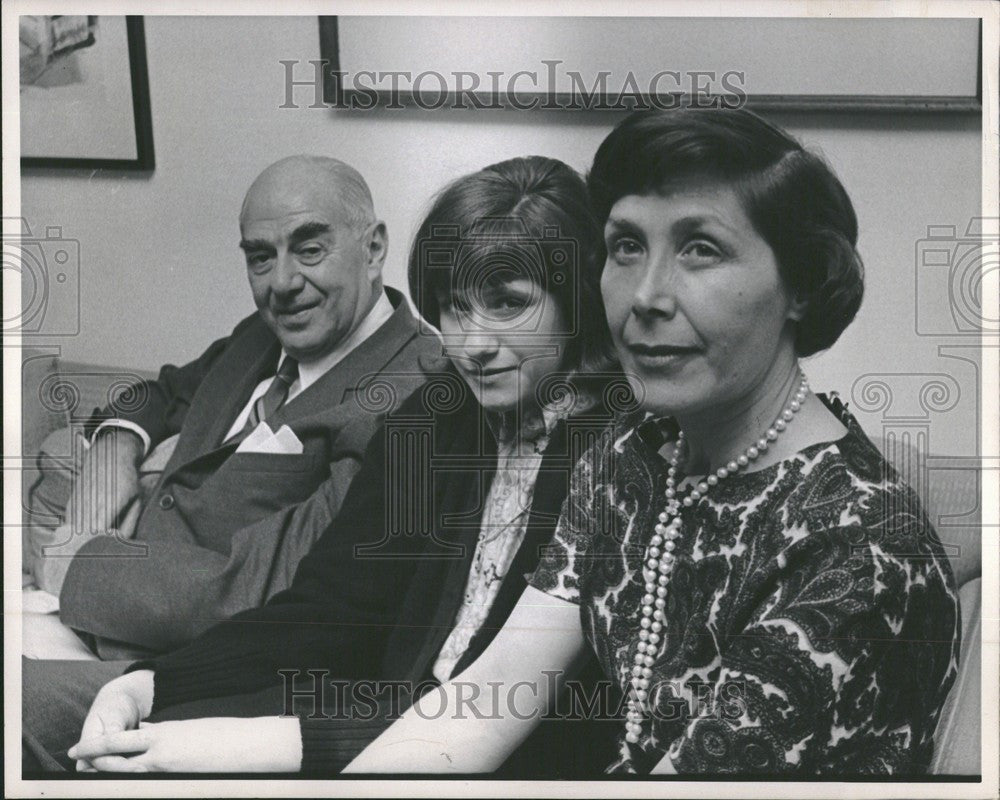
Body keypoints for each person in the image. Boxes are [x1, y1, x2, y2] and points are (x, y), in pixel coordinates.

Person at [323, 109, 958, 775]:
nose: (646, 296)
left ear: (800, 284)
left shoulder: (856, 549)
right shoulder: (633, 451)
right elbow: (485, 702)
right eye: (627, 246)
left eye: (700, 249)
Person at [31, 156, 626, 775]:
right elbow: (334, 604)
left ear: (574, 301)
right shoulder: (440, 417)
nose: (474, 343)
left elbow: (492, 721)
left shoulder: (614, 451)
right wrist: (153, 684)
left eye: (507, 304)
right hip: (331, 703)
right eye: (454, 307)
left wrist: (225, 740)